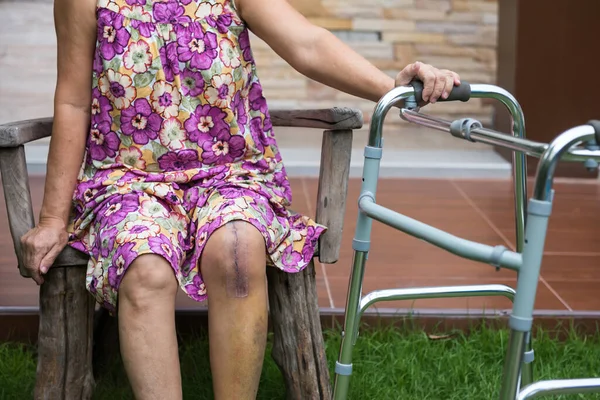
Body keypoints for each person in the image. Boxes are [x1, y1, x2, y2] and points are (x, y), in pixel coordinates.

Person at [20, 0, 461, 398]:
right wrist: (52, 219)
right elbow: (75, 102)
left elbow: (307, 43)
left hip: (231, 173)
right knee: (144, 267)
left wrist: (391, 86)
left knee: (237, 251)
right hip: (128, 180)